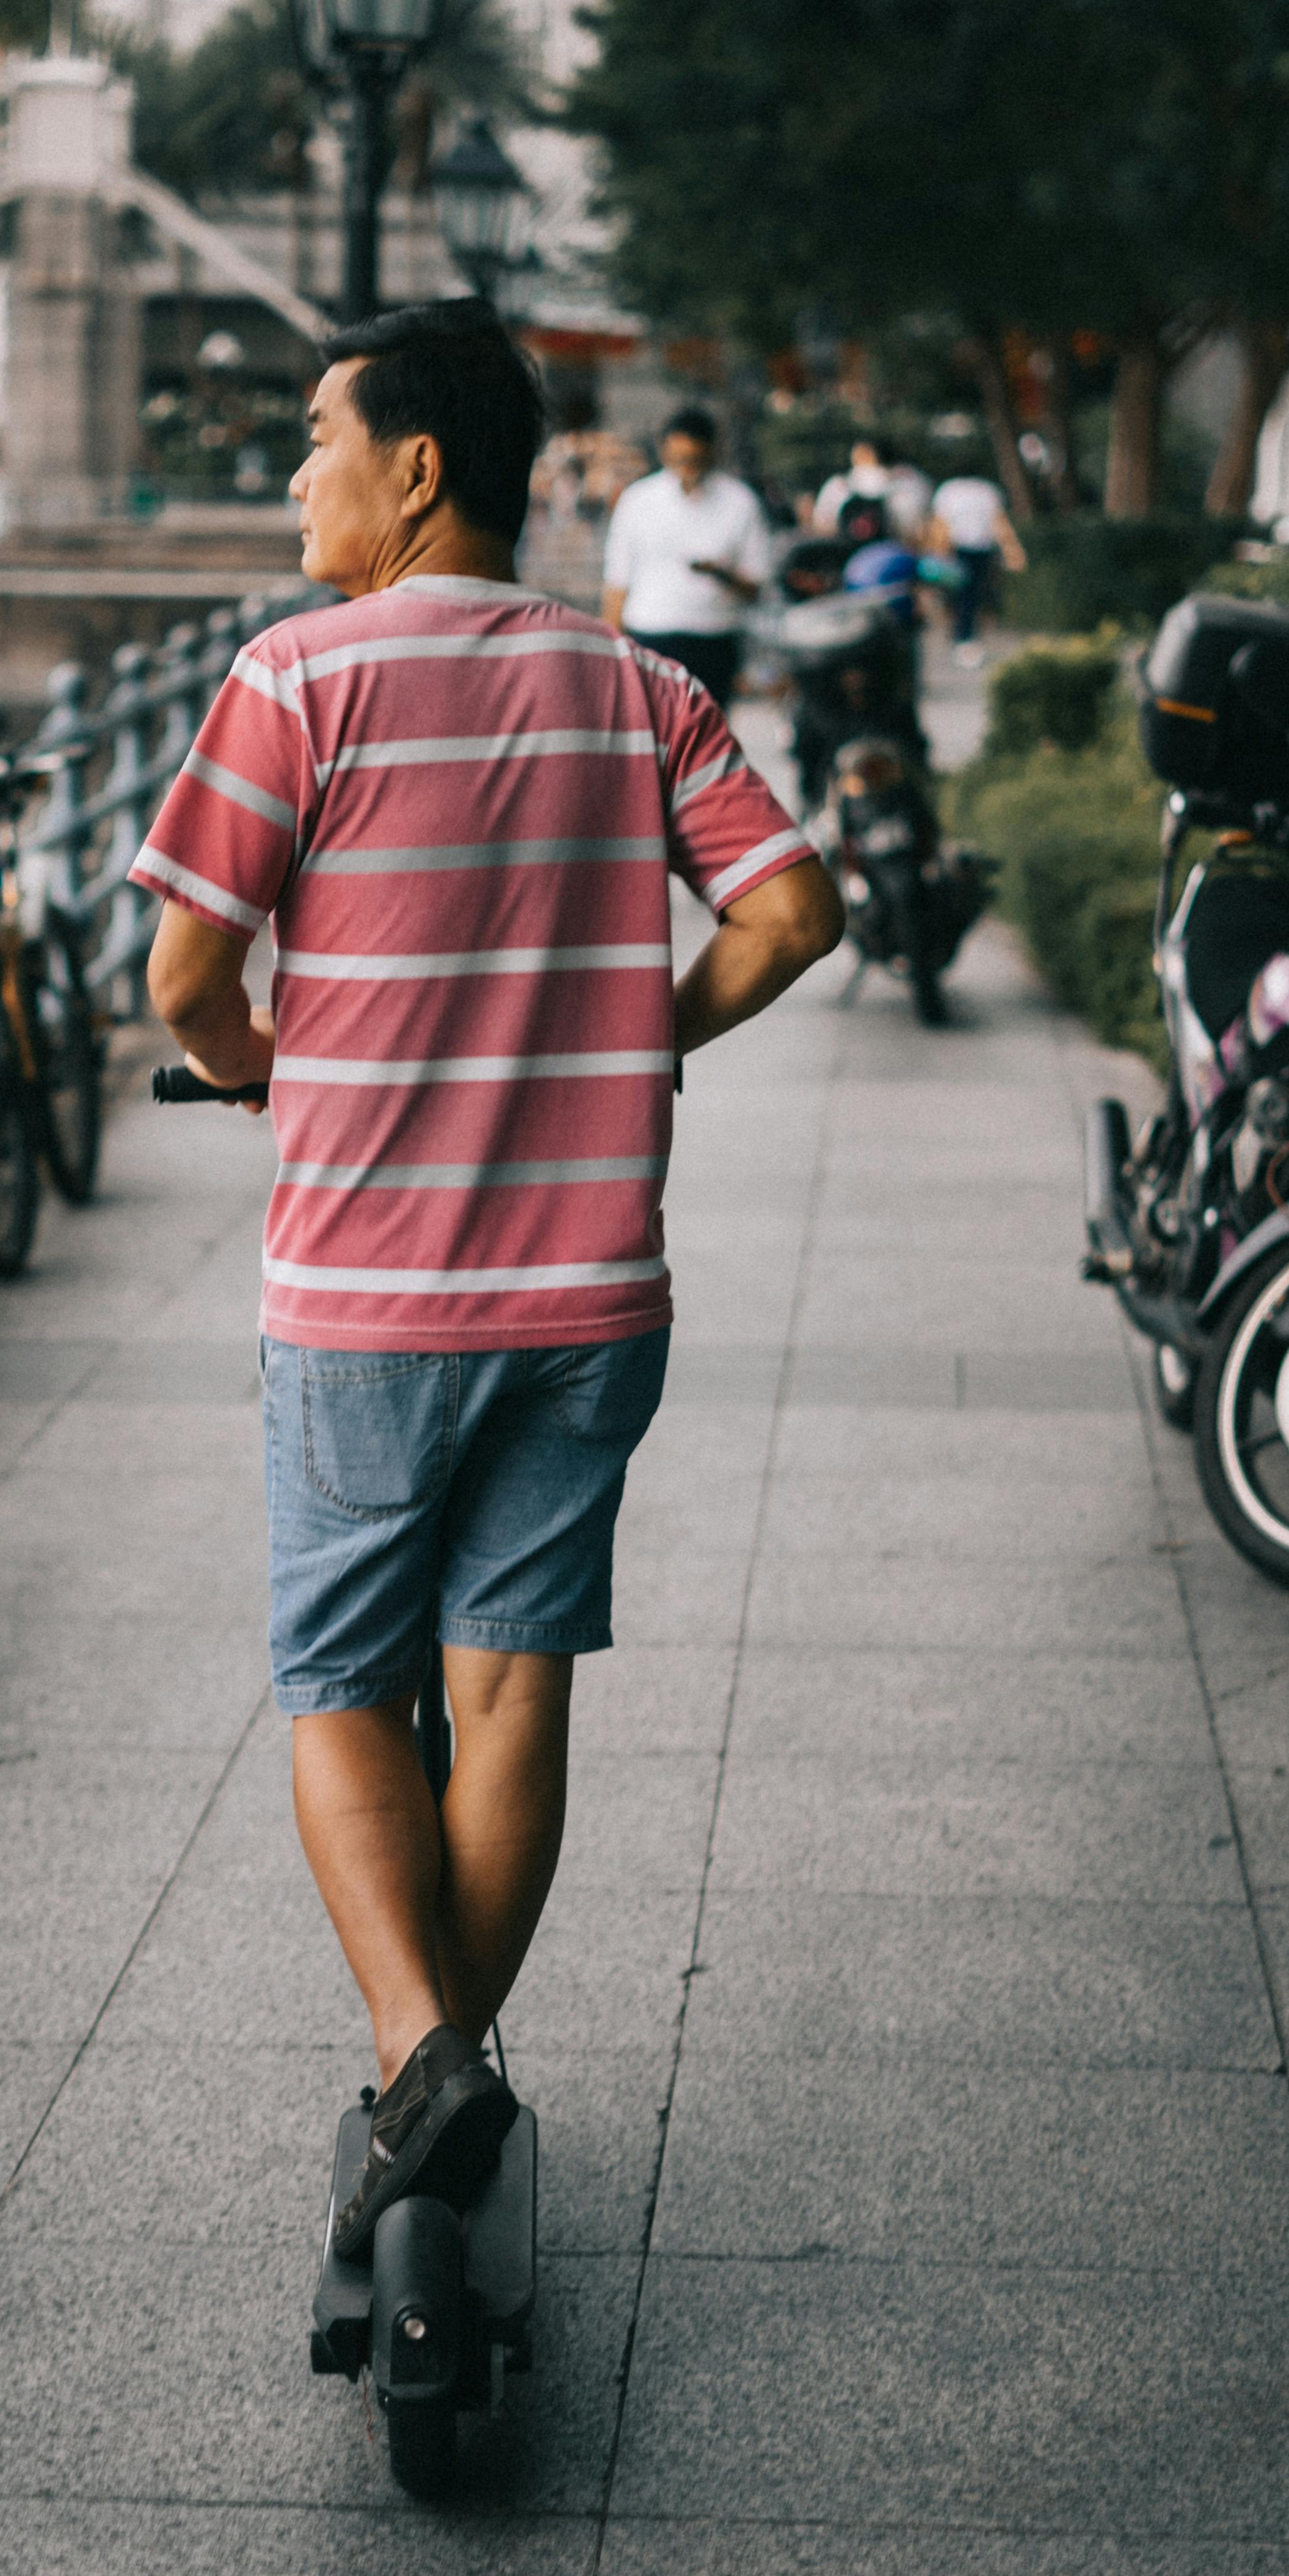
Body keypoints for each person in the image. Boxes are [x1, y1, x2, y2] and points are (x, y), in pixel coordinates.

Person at [135, 298, 840, 2257]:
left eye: (311, 438)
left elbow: (185, 980)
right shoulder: (631, 686)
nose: (294, 474)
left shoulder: (293, 679)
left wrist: (256, 1065)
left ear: (413, 467)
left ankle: (413, 2062)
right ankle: (445, 2076)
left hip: (367, 1290)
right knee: (510, 1679)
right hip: (588, 1291)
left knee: (341, 1683)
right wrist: (649, 1032)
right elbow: (793, 907)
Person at [598, 406, 772, 711]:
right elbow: (617, 580)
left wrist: (721, 574)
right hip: (652, 637)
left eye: (694, 461)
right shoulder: (638, 500)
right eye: (678, 459)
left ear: (711, 453)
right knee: (655, 735)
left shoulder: (739, 502)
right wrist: (610, 650)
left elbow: (757, 586)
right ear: (664, 451)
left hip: (714, 637)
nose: (685, 469)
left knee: (708, 740)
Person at [928, 468, 1026, 662]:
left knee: (964, 595)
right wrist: (1012, 550)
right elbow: (1000, 523)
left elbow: (941, 524)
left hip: (960, 549)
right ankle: (964, 636)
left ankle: (963, 636)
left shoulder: (949, 490)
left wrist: (937, 551)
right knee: (971, 595)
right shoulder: (988, 490)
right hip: (978, 549)